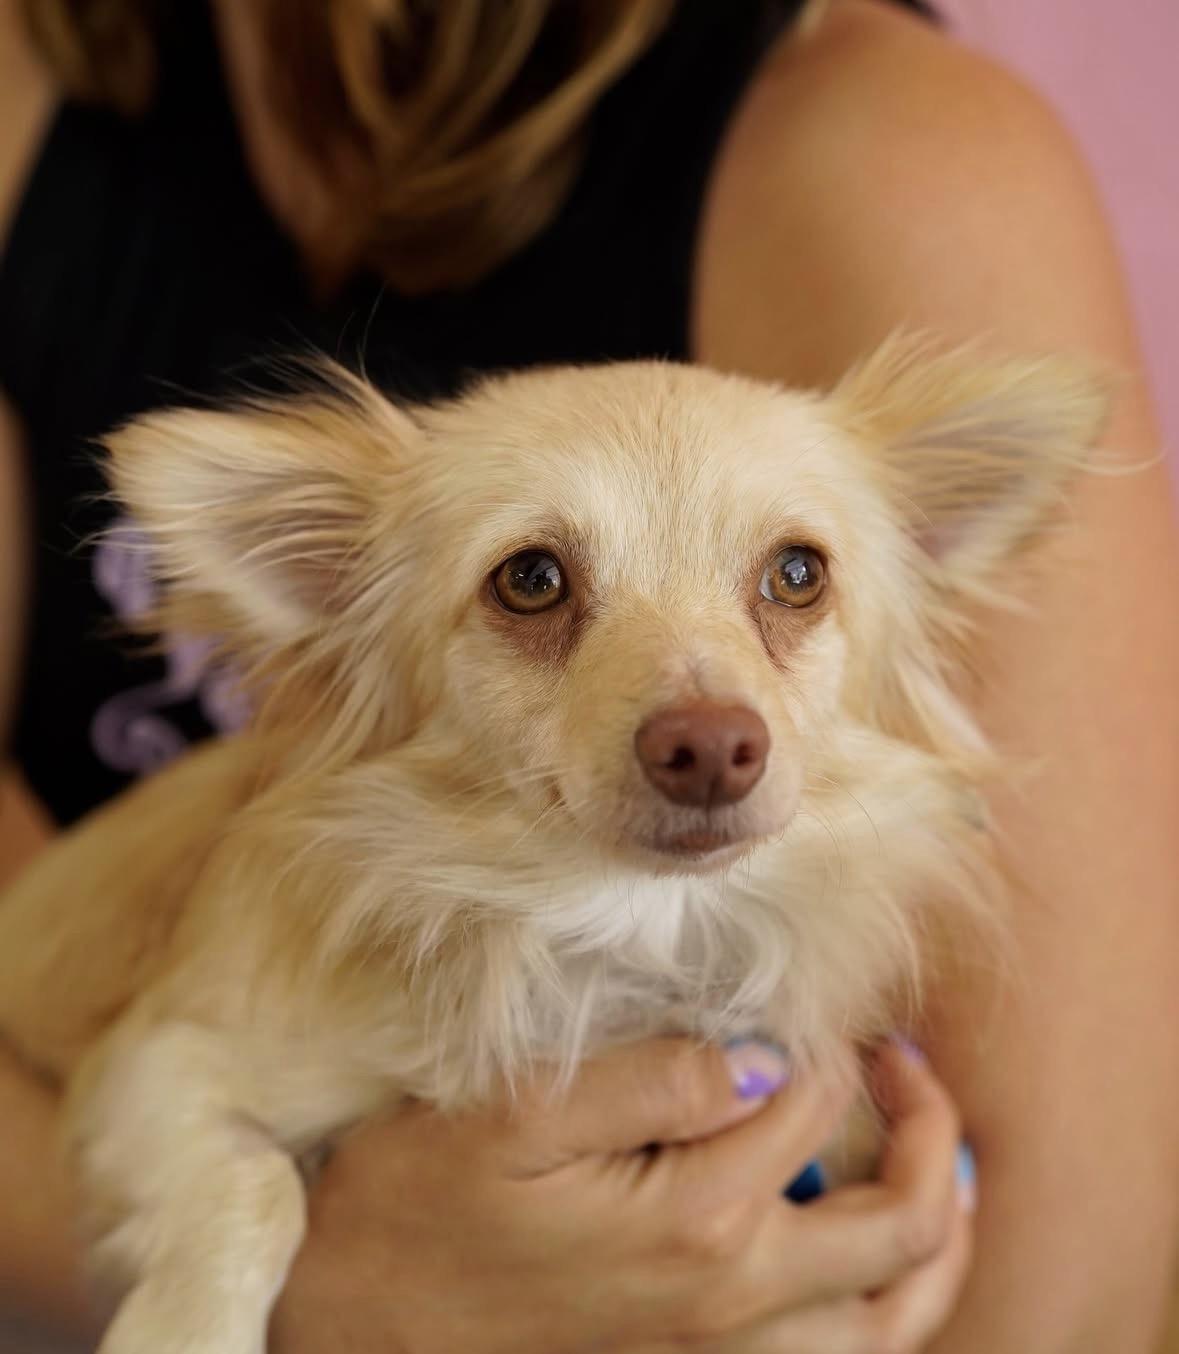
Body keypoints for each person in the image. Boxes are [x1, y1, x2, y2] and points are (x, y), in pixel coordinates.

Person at [0, 0, 1176, 1350]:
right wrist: (330, 1292)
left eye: (793, 579)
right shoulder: (34, 77)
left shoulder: (890, 156)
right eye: (535, 584)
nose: (702, 720)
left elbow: (1071, 1297)